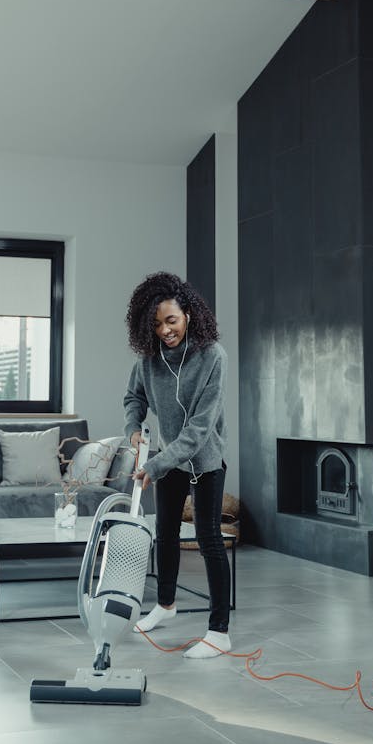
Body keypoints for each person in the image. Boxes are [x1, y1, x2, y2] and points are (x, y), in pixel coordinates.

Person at [123, 271, 231, 659]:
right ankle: (166, 606)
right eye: (156, 324)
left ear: (188, 314)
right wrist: (133, 427)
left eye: (171, 320)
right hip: (168, 460)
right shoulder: (148, 359)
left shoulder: (213, 357)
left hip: (204, 460)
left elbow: (200, 429)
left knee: (209, 541)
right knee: (164, 534)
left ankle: (219, 632)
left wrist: (155, 465)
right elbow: (133, 397)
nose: (165, 330)